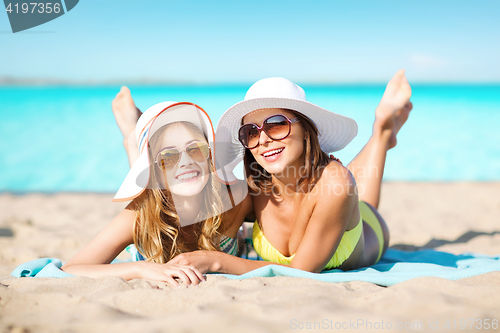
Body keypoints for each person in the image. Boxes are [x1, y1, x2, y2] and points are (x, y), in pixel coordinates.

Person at [167, 70, 413, 274]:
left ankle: (381, 131)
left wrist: (216, 261)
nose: (262, 139)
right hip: (330, 191)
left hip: (371, 231)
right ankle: (382, 135)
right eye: (250, 132)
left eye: (275, 125)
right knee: (342, 180)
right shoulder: (252, 191)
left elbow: (301, 272)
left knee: (349, 187)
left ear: (306, 129)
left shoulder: (335, 182)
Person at [62, 100, 250, 287]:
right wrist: (140, 268)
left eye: (195, 149)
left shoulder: (233, 195)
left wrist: (217, 260)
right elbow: (71, 269)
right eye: (168, 157)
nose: (186, 161)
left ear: (210, 154)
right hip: (154, 201)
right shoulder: (139, 215)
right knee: (146, 192)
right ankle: (132, 138)